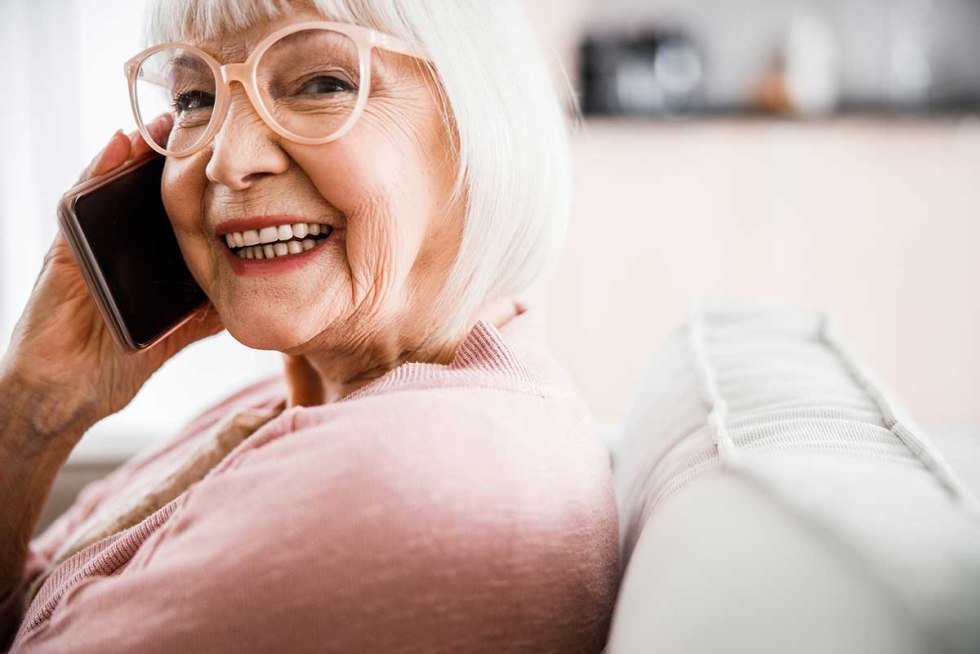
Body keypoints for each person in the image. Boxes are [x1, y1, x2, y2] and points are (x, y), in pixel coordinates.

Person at [0, 0, 620, 651]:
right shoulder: (313, 393)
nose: (225, 161)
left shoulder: (395, 486)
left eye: (323, 83)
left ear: (483, 123)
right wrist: (37, 405)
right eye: (193, 98)